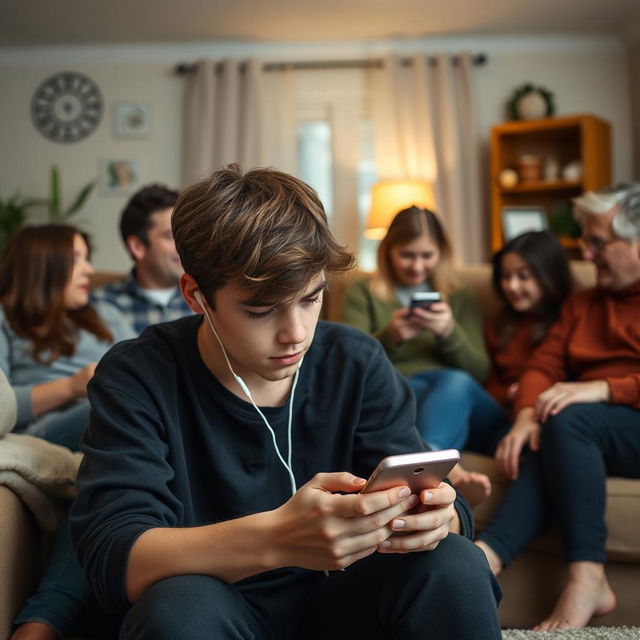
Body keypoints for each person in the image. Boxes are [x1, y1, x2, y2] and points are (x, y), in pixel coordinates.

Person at [70, 166, 501, 640]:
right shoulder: (138, 374)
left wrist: (445, 516)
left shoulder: (356, 362)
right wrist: (278, 538)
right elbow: (114, 559)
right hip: (215, 605)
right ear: (196, 295)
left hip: (345, 606)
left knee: (455, 561)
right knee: (179, 608)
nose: (296, 334)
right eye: (260, 310)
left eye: (311, 298)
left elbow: (417, 479)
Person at [475, 184, 640, 630]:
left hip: (617, 419)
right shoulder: (584, 303)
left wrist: (606, 388)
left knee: (566, 420)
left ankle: (587, 577)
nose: (587, 254)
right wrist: (525, 416)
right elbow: (543, 364)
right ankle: (483, 560)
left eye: (598, 242)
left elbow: (586, 396)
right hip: (583, 425)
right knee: (548, 427)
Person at [0, 224, 135, 640]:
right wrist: (74, 386)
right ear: (45, 265)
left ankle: (42, 624)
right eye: (78, 259)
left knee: (110, 458)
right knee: (107, 409)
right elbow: (4, 405)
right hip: (50, 428)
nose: (90, 271)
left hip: (110, 426)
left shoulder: (106, 315)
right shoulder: (6, 319)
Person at [341, 206, 492, 501]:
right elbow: (348, 363)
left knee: (456, 382)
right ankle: (442, 470)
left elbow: (480, 372)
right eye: (407, 255)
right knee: (401, 387)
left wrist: (449, 332)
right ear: (388, 252)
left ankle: (427, 459)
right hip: (404, 390)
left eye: (427, 256)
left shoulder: (460, 296)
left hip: (455, 396)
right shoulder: (363, 293)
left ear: (441, 253)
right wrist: (391, 336)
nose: (417, 266)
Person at [484, 231, 572, 409]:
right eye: (506, 276)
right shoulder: (498, 324)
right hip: (500, 411)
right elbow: (487, 383)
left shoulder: (569, 318)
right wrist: (509, 393)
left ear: (549, 275)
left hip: (550, 411)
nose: (512, 286)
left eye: (523, 276)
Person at [91, 183, 191, 334]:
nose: (184, 244)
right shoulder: (101, 306)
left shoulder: (206, 298)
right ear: (137, 247)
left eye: (185, 234)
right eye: (171, 236)